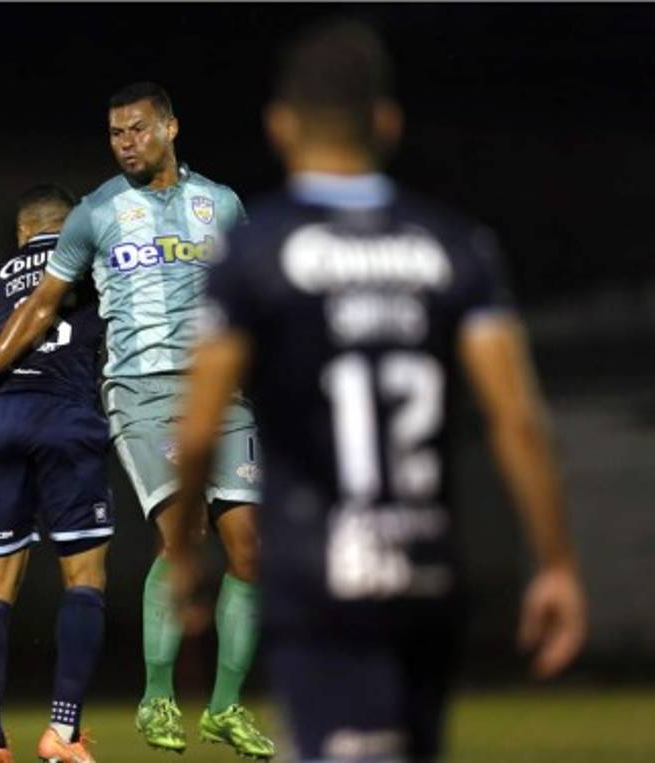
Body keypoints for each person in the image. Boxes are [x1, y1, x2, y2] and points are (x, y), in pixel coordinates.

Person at [169, 21, 588, 763]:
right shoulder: (456, 246)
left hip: (322, 571)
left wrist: (183, 559)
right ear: (387, 123)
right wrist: (554, 562)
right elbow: (518, 418)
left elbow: (199, 430)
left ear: (280, 125)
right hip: (427, 569)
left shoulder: (256, 251)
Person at [0, 83, 274, 759]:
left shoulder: (225, 205)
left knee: (250, 548)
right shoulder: (96, 213)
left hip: (214, 391)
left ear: (172, 127)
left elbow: (252, 293)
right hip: (136, 393)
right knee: (168, 541)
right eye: (115, 133)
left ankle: (222, 707)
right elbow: (41, 306)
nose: (125, 142)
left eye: (137, 129)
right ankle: (134, 701)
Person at [0, 185, 112, 763]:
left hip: (1, 423)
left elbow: (6, 344)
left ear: (23, 233)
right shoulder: (93, 262)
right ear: (71, 227)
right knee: (84, 581)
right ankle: (62, 732)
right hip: (66, 418)